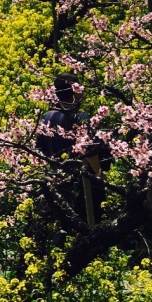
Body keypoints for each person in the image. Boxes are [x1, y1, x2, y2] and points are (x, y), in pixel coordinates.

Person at [35, 73, 105, 227]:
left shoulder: (47, 116)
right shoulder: (81, 117)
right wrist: (100, 175)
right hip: (82, 181)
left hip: (57, 180)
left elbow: (39, 149)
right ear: (75, 91)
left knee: (65, 223)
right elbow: (89, 150)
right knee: (89, 223)